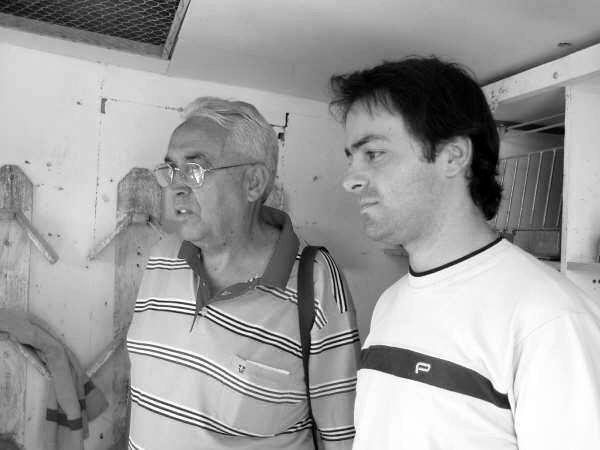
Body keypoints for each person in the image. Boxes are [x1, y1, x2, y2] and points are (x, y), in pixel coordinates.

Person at [329, 57, 600, 450]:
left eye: (373, 153)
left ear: (453, 156)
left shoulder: (550, 320)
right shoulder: (390, 303)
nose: (350, 179)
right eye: (350, 158)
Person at [126, 97, 360, 450]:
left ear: (253, 182)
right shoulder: (162, 257)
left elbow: (340, 436)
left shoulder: (315, 281)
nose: (176, 186)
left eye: (195, 170)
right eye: (171, 170)